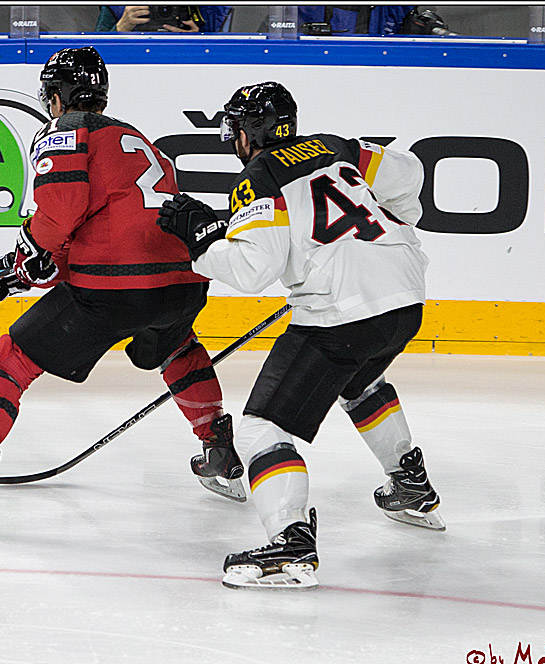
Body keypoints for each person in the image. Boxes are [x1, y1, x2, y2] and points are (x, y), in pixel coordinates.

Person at [0, 46, 244, 534]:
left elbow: (60, 216)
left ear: (57, 95)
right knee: (176, 346)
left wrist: (12, 267)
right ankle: (220, 452)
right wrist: (17, 274)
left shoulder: (66, 130)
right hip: (182, 282)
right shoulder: (136, 139)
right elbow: (93, 231)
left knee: (7, 358)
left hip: (116, 286)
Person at [157, 82, 445, 590]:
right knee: (359, 382)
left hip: (341, 314)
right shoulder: (337, 147)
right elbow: (410, 171)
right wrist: (395, 223)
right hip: (405, 299)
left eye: (235, 128)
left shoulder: (258, 177)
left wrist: (200, 241)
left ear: (249, 132)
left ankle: (290, 542)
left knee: (261, 430)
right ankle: (409, 483)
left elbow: (253, 270)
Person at [96, 6, 231, 32]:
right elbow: (96, 52)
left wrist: (197, 40)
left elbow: (223, 54)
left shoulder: (210, 8)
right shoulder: (117, 7)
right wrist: (121, 28)